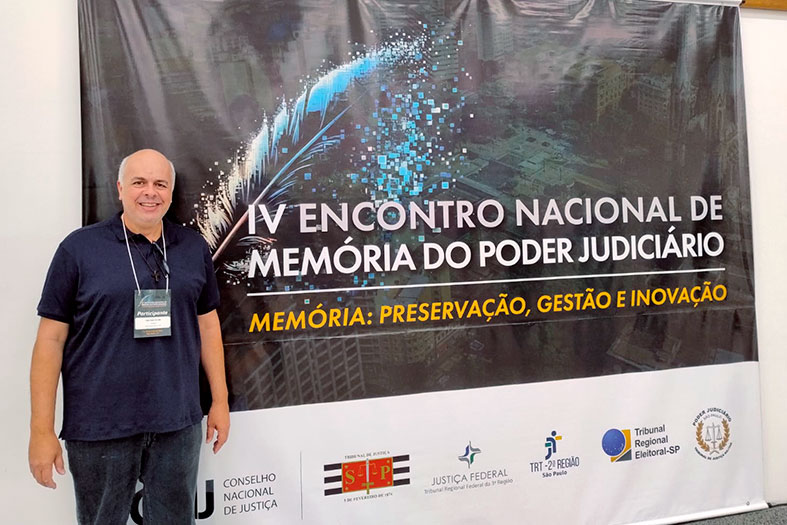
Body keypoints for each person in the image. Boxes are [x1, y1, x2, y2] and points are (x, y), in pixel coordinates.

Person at [28, 149, 230, 524]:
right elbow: (50, 341)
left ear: (171, 192)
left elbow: (208, 325)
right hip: (99, 427)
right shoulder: (78, 249)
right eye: (139, 182)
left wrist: (219, 399)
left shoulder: (192, 248)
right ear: (120, 189)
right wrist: (41, 430)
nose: (149, 192)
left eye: (159, 184)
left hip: (177, 424)